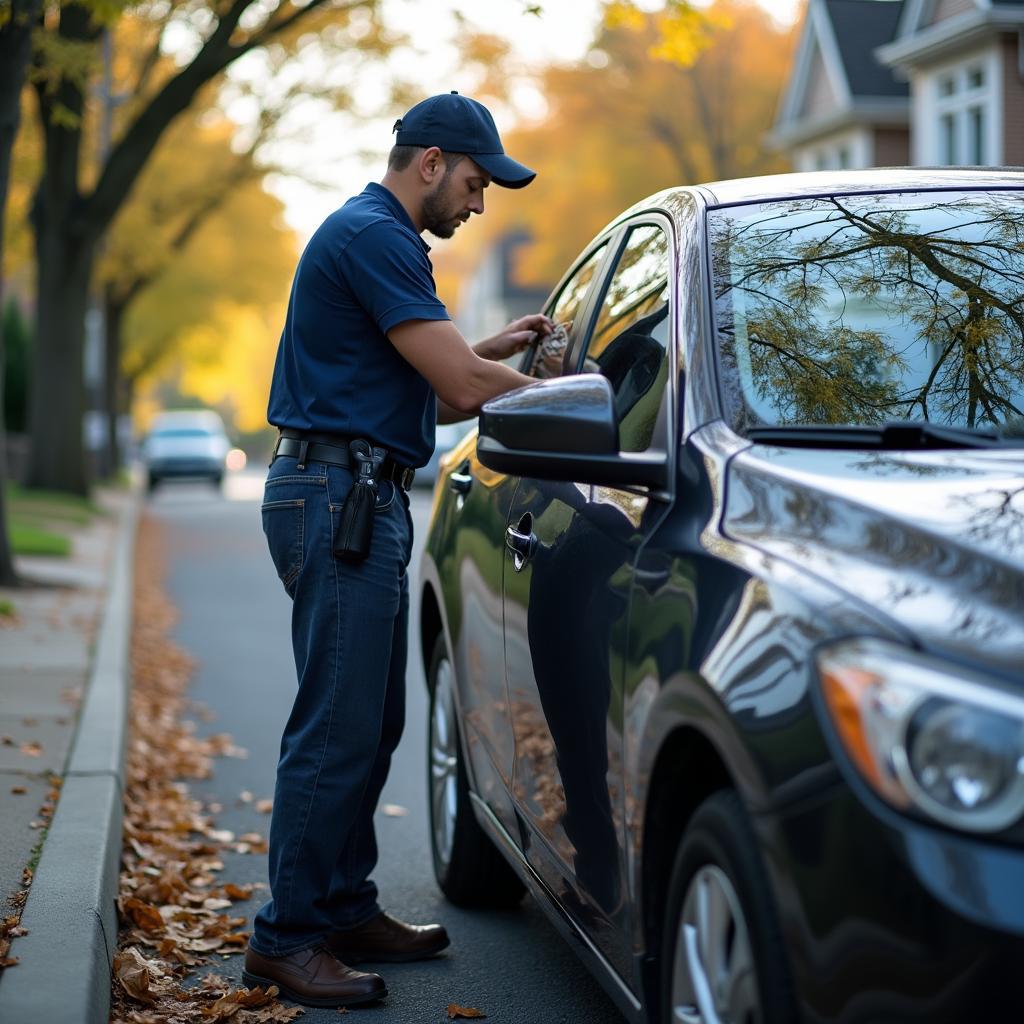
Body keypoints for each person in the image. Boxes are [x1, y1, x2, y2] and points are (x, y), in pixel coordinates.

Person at [242, 92, 552, 1009]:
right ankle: (288, 937)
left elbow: (441, 387)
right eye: (474, 180)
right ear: (429, 164)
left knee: (370, 724)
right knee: (335, 729)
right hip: (337, 499)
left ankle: (341, 906)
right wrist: (573, 391)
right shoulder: (374, 236)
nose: (480, 202)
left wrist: (490, 350)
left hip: (353, 494)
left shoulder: (381, 240)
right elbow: (460, 382)